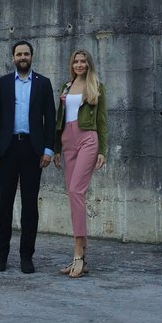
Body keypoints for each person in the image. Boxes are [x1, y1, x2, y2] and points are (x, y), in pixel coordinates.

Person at [0, 41, 56, 273]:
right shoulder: (2, 83)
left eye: (26, 53)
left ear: (32, 56)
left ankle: (27, 256)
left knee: (30, 206)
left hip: (32, 151)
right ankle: (1, 255)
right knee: (3, 204)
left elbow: (51, 120)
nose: (23, 57)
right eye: (19, 54)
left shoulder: (44, 84)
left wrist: (48, 149)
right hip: (6, 150)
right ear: (13, 57)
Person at [53, 49, 107, 278]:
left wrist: (102, 150)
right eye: (76, 61)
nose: (79, 64)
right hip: (67, 142)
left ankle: (78, 253)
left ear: (89, 64)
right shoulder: (66, 86)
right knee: (73, 194)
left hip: (87, 139)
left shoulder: (96, 86)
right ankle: (80, 254)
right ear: (71, 64)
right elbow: (59, 119)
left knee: (76, 190)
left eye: (83, 61)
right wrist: (56, 148)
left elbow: (102, 120)